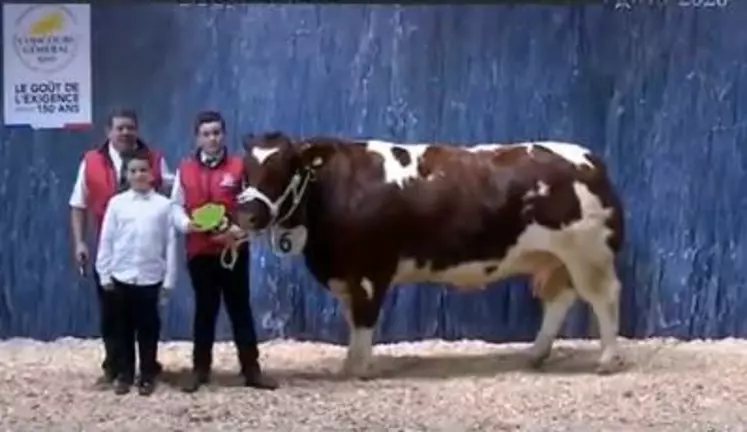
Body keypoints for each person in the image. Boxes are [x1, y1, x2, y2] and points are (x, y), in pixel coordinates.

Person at [170, 110, 277, 392]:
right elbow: (175, 207)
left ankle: (252, 370)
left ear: (224, 135)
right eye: (206, 134)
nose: (212, 138)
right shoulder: (185, 170)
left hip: (233, 252)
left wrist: (241, 231)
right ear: (198, 138)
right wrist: (187, 224)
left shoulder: (240, 167)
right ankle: (200, 370)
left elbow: (252, 205)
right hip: (199, 252)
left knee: (239, 309)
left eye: (216, 132)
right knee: (205, 311)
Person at [68, 108, 173, 388]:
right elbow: (78, 203)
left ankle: (148, 368)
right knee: (112, 315)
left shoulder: (155, 160)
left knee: (146, 319)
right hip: (111, 252)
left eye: (130, 127)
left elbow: (176, 195)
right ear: (108, 132)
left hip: (146, 254)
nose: (125, 132)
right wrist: (79, 241)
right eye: (120, 128)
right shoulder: (90, 161)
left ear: (137, 130)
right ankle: (115, 368)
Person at [95, 149, 202, 396]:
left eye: (144, 170)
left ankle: (147, 374)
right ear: (126, 174)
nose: (139, 175)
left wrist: (169, 282)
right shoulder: (117, 204)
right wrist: (104, 274)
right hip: (121, 276)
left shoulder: (164, 206)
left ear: (153, 173)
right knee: (122, 329)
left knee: (148, 329)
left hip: (150, 279)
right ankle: (125, 374)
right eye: (133, 171)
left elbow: (170, 246)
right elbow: (107, 240)